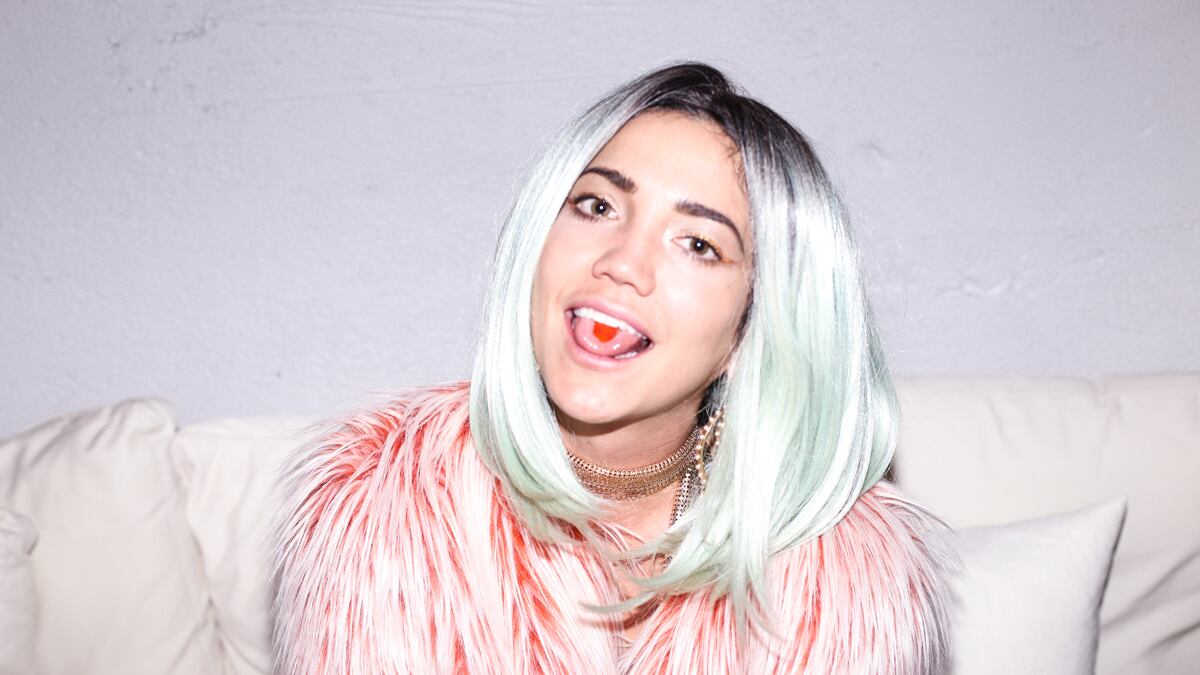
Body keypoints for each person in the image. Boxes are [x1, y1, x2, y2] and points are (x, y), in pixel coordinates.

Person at [271, 63, 956, 674]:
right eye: (598, 206)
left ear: (753, 331)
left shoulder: (846, 586)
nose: (623, 262)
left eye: (698, 244)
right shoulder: (385, 508)